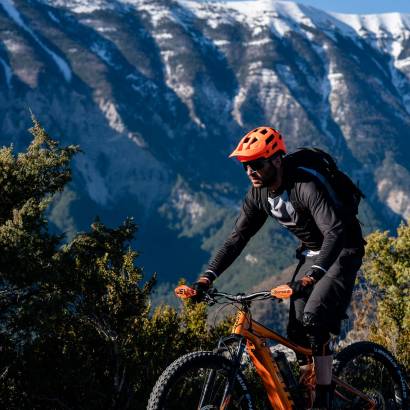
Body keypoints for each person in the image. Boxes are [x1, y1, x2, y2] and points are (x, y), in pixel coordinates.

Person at [192, 127, 365, 410]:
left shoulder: (305, 186)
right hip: (313, 252)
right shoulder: (258, 195)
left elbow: (334, 231)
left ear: (276, 160)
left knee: (313, 317)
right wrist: (206, 278)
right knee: (295, 328)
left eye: (257, 163)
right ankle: (306, 387)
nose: (250, 170)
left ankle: (323, 396)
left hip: (343, 248)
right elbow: (237, 238)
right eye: (245, 165)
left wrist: (311, 277)